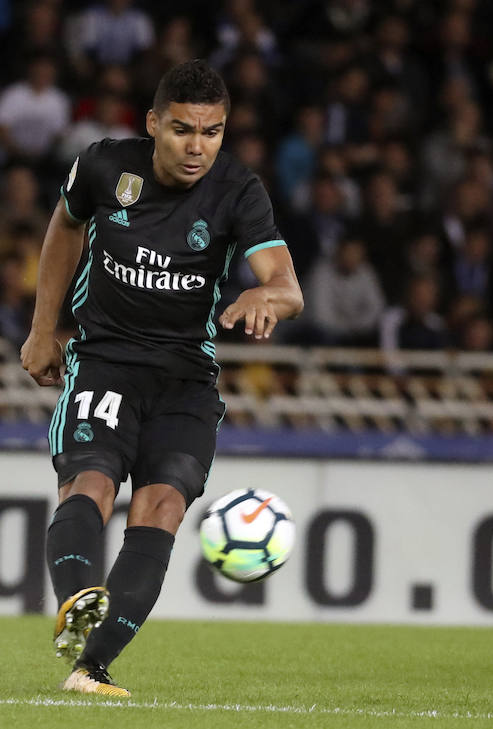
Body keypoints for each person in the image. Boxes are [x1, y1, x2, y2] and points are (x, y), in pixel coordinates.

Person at [19, 59, 304, 697]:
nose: (197, 147)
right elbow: (65, 226)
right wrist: (43, 329)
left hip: (184, 379)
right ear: (152, 124)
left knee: (164, 505)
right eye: (181, 130)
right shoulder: (103, 166)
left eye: (212, 131)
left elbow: (287, 286)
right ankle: (76, 601)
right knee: (89, 481)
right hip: (104, 359)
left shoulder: (237, 190)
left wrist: (269, 300)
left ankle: (90, 670)